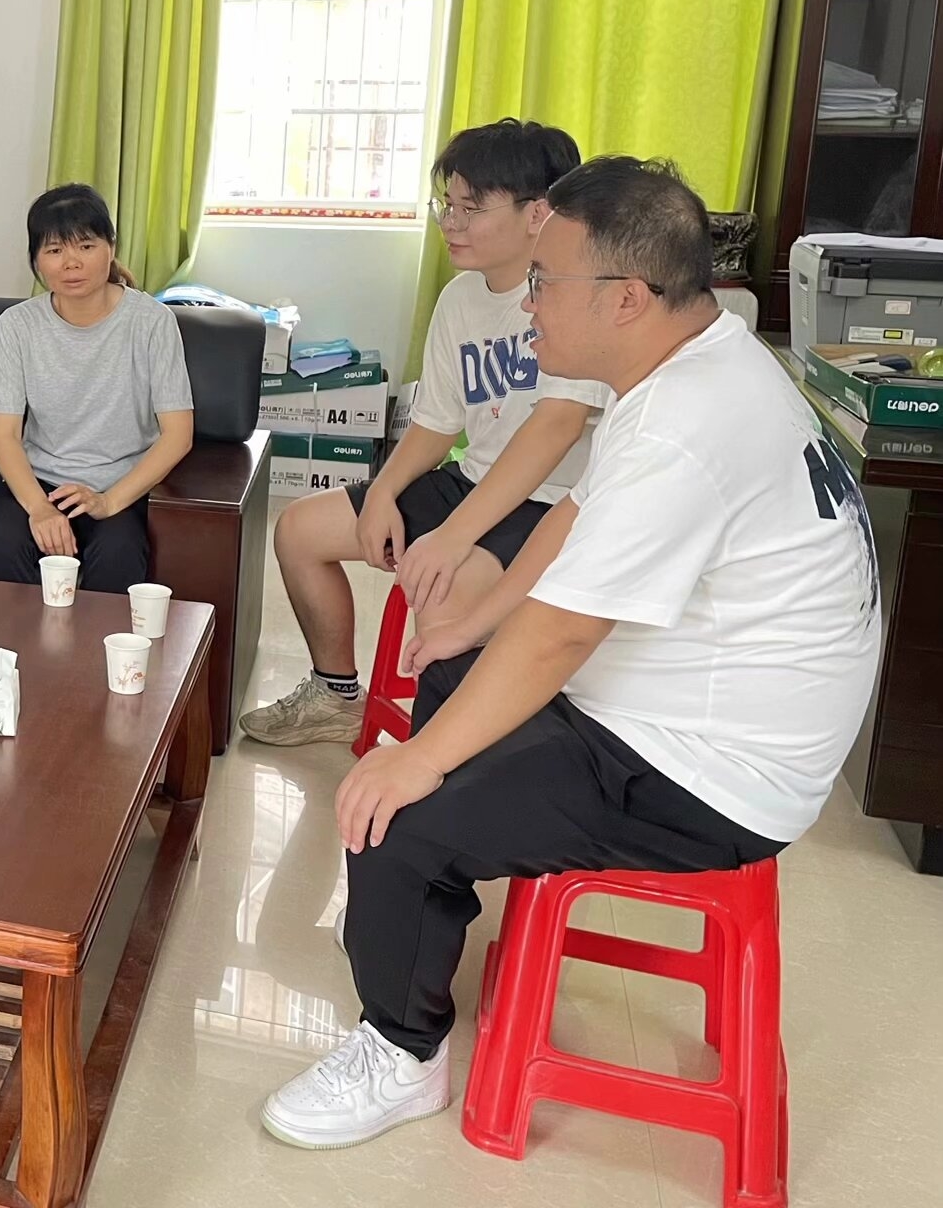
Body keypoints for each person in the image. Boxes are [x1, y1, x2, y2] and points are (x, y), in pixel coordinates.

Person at [261, 157, 880, 1151]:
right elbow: (578, 514)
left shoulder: (684, 422)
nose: (530, 305)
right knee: (451, 675)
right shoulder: (698, 357)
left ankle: (400, 1052)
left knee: (390, 815)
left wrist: (415, 761)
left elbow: (564, 634)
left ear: (625, 296)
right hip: (713, 706)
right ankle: (426, 912)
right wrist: (477, 618)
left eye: (546, 280)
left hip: (711, 771)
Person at [243, 118, 605, 748]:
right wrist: (383, 493)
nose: (451, 223)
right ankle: (335, 695)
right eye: (447, 205)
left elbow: (556, 427)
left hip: (551, 503)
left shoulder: (574, 296)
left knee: (441, 590)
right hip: (474, 482)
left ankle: (445, 759)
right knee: (299, 531)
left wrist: (451, 539)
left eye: (472, 208)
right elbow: (437, 423)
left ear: (538, 213)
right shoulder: (460, 298)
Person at [0, 183, 194, 594]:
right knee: (1, 542)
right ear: (36, 260)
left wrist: (108, 502)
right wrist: (40, 509)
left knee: (119, 552)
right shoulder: (17, 326)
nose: (71, 263)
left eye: (86, 246)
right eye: (54, 250)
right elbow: (4, 436)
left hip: (120, 486)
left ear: (111, 247)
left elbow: (178, 435)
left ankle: (98, 642)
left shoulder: (152, 322)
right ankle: (16, 638)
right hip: (40, 483)